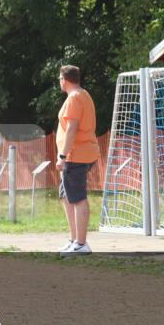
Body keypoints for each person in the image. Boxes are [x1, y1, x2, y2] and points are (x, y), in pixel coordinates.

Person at [55, 65, 100, 256]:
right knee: (66, 195)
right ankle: (74, 240)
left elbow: (72, 129)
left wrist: (62, 155)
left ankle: (81, 244)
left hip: (76, 155)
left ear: (64, 79)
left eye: (59, 78)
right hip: (80, 153)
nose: (59, 82)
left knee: (78, 198)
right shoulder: (83, 94)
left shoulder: (74, 98)